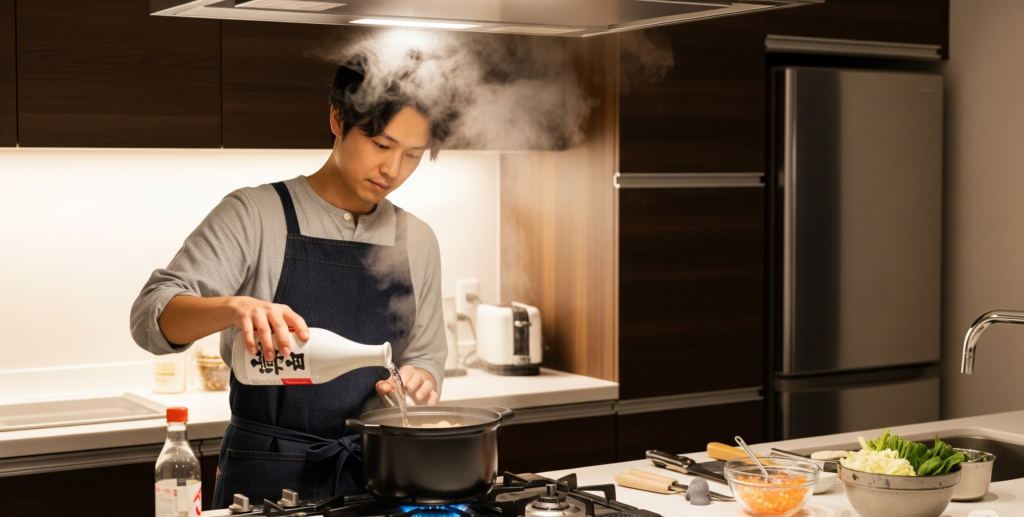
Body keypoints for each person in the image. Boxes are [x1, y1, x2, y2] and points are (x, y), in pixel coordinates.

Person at [130, 59, 450, 508]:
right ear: (338, 119)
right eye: (380, 144)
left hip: (375, 478)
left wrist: (420, 380)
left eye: (413, 155)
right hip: (263, 476)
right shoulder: (255, 214)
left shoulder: (417, 240)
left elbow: (426, 355)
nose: (393, 169)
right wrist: (232, 308)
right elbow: (151, 319)